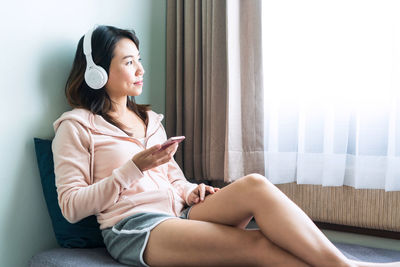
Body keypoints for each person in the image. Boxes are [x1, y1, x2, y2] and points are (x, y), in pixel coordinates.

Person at [52, 25, 400, 267]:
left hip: (179, 213)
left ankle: (343, 263)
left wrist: (191, 191)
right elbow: (71, 207)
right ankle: (347, 266)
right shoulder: (77, 126)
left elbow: (173, 181)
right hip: (135, 227)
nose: (140, 69)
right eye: (129, 62)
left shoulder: (149, 120)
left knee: (255, 186)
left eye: (138, 58)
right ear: (97, 72)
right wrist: (134, 168)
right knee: (258, 243)